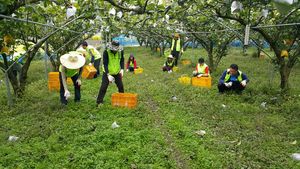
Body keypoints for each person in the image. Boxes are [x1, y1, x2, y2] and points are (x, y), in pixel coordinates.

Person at [96, 40, 124, 106]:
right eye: (114, 49)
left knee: (121, 86)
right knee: (103, 86)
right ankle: (99, 102)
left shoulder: (120, 51)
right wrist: (108, 75)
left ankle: (122, 99)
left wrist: (122, 69)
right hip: (107, 72)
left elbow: (122, 60)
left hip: (117, 72)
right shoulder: (106, 52)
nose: (115, 50)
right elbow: (105, 64)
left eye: (116, 49)